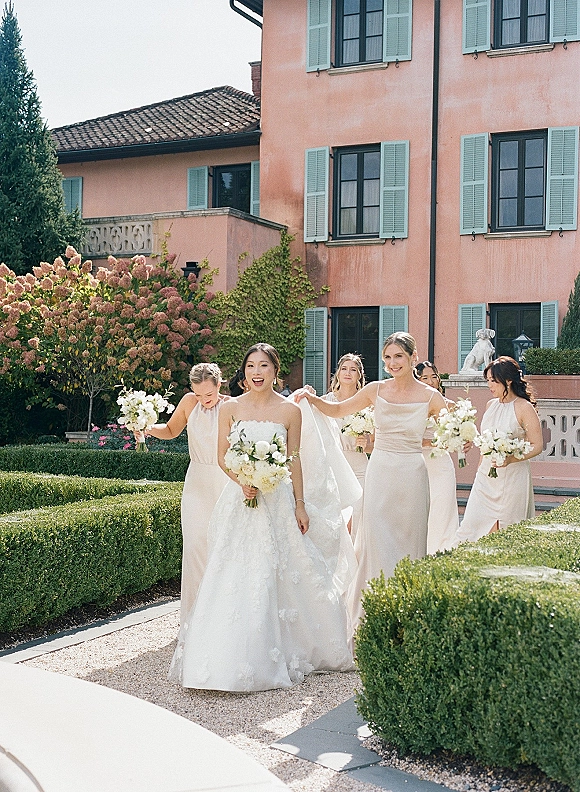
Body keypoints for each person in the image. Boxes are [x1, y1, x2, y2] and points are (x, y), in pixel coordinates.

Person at [169, 343, 354, 692]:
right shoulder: (231, 408)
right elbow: (222, 455)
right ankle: (226, 652)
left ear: (274, 370)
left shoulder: (289, 411)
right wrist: (242, 481)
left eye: (264, 365)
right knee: (233, 568)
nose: (257, 371)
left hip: (278, 500)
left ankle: (288, 645)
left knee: (283, 568)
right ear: (244, 372)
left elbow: (294, 459)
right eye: (251, 365)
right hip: (240, 499)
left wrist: (300, 504)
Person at [295, 332, 447, 631]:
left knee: (410, 538)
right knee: (376, 539)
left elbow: (452, 430)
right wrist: (311, 400)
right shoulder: (376, 390)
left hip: (413, 473)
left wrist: (462, 441)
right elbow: (339, 409)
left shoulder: (431, 397)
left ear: (413, 358)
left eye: (399, 357)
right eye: (388, 357)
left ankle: (407, 612)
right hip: (380, 471)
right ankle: (371, 613)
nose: (392, 363)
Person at [139, 363, 228, 624]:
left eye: (208, 396)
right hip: (197, 483)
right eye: (199, 395)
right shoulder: (189, 403)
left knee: (222, 546)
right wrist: (146, 427)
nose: (204, 401)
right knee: (195, 546)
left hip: (225, 481)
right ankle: (193, 618)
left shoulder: (232, 406)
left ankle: (221, 616)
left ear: (219, 385)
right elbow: (170, 430)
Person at [455, 356, 543, 543]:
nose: (489, 385)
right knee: (471, 526)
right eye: (487, 380)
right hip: (485, 478)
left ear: (508, 381)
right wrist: (479, 467)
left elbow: (537, 445)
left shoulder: (523, 407)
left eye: (493, 381)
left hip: (512, 477)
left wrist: (511, 458)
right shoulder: (490, 405)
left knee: (506, 529)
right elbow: (485, 442)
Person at [323, 353, 372, 540]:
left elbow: (375, 444)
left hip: (359, 467)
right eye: (344, 368)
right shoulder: (326, 401)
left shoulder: (367, 403)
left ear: (359, 375)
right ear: (338, 373)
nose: (348, 373)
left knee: (358, 514)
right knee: (336, 514)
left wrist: (365, 444)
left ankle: (355, 560)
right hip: (334, 465)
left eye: (353, 370)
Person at [415, 361, 459, 553]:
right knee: (422, 511)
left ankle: (443, 550)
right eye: (425, 378)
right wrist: (429, 443)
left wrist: (461, 440)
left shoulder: (450, 405)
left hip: (441, 464)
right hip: (419, 463)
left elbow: (455, 436)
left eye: (434, 377)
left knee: (444, 507)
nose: (431, 381)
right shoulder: (414, 406)